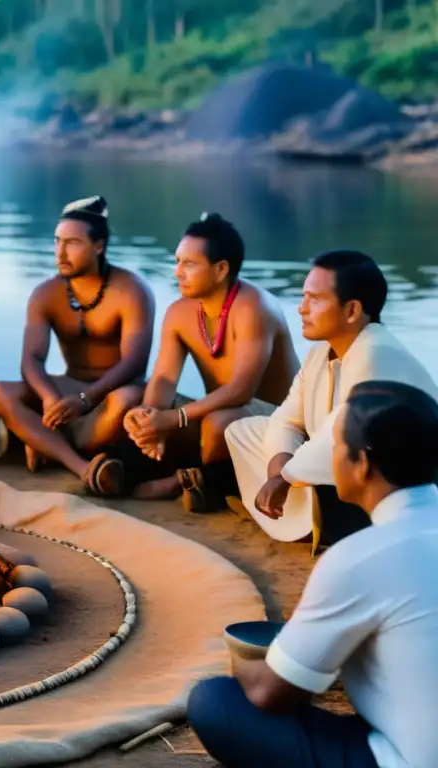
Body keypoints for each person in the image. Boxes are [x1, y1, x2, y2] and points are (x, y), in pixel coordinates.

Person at [188, 380, 438, 768]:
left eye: (335, 446)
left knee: (215, 702)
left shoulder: (357, 557)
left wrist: (251, 661)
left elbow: (273, 695)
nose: (330, 456)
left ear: (363, 463)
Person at [225, 249, 438, 547]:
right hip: (327, 468)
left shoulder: (376, 352)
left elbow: (341, 436)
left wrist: (284, 478)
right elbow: (286, 418)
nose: (302, 308)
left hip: (386, 488)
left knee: (320, 453)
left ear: (352, 310)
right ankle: (297, 512)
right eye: (303, 297)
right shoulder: (319, 353)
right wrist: (279, 466)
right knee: (243, 430)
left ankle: (311, 521)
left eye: (315, 299)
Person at [98, 213, 299, 512]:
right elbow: (164, 379)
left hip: (278, 423)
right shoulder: (179, 312)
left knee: (218, 422)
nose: (178, 272)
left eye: (189, 264)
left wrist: (172, 419)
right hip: (222, 413)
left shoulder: (254, 308)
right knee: (139, 407)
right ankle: (153, 470)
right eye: (177, 261)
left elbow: (242, 389)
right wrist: (150, 420)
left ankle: (193, 482)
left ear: (221, 269)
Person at [0, 195, 154, 493]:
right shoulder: (46, 294)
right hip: (70, 387)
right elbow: (31, 359)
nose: (60, 253)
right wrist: (49, 398)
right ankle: (79, 465)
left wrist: (86, 399)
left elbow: (135, 362)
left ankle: (41, 439)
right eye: (57, 241)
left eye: (73, 243)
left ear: (99, 246)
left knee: (126, 401)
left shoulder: (131, 291)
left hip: (112, 394)